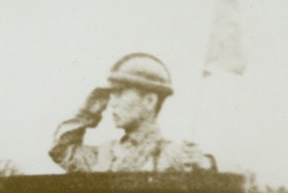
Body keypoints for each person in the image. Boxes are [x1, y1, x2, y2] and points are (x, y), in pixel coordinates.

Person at [49, 53, 213, 174]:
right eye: (111, 95)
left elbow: (227, 177)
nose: (112, 103)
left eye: (119, 93)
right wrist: (87, 112)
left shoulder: (175, 156)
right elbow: (61, 150)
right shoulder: (105, 154)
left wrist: (207, 164)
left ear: (149, 101)